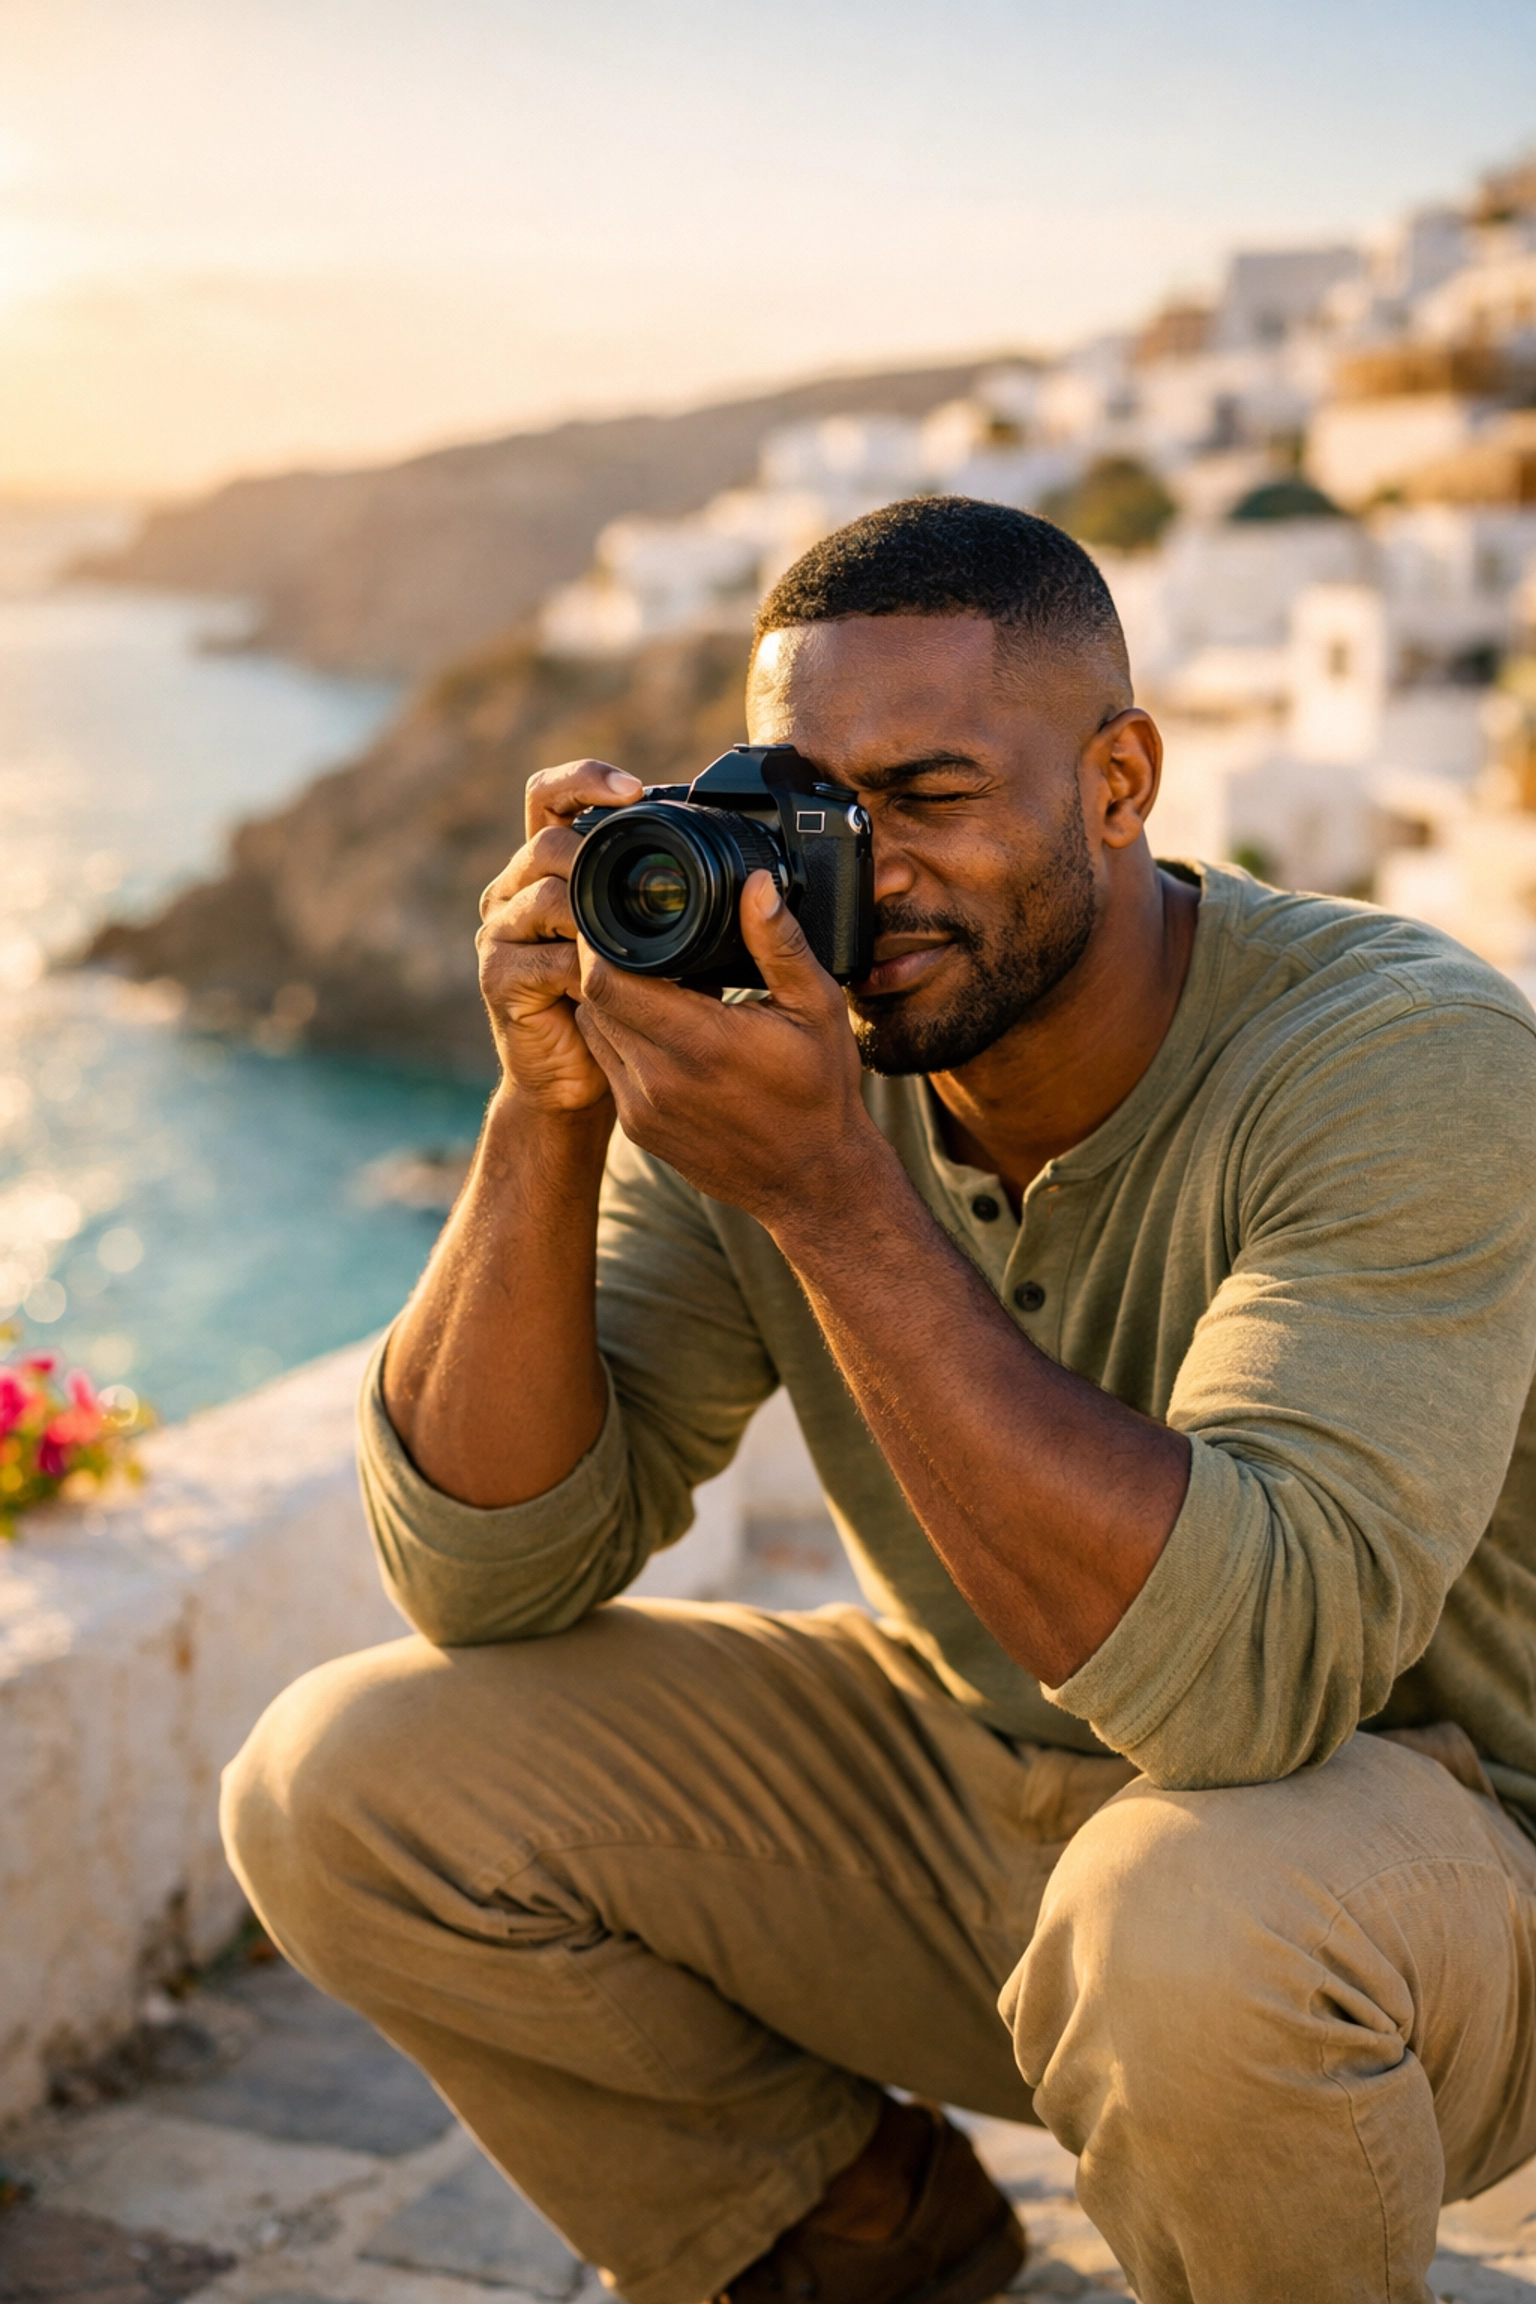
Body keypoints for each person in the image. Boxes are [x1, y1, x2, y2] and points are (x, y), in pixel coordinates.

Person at [223, 497, 1536, 2304]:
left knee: (1185, 1924)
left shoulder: (1400, 1060)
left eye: (926, 798)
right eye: (808, 811)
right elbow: (486, 1574)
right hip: (982, 1817)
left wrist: (833, 1194)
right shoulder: (781, 1053)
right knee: (346, 1782)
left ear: (1121, 782)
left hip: (1399, 1885)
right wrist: (548, 1114)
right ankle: (866, 2246)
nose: (863, 870)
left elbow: (1255, 1688)